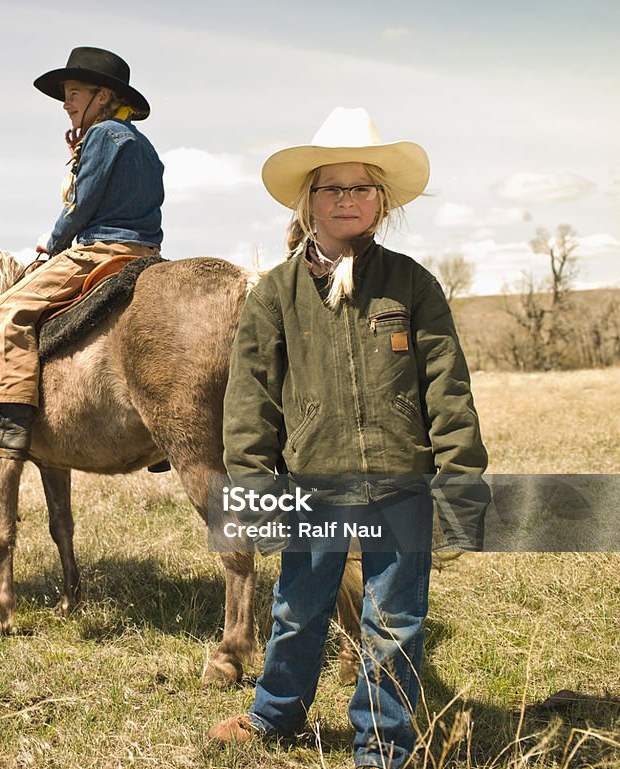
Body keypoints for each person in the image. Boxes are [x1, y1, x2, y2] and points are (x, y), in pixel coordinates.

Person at [208, 108, 490, 768]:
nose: (346, 199)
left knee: (395, 622)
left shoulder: (413, 285)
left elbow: (448, 389)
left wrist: (459, 481)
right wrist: (254, 487)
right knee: (298, 609)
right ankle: (275, 712)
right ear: (309, 200)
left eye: (361, 187)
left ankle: (383, 744)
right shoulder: (276, 294)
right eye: (331, 187)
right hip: (311, 485)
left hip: (402, 483)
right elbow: (248, 401)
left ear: (381, 202)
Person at [0, 46, 164, 458]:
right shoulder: (143, 144)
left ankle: (12, 422)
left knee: (8, 310)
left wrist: (53, 243)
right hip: (148, 252)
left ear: (104, 96)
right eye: (66, 95)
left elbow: (82, 203)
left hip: (102, 249)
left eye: (74, 93)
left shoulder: (101, 135)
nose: (65, 104)